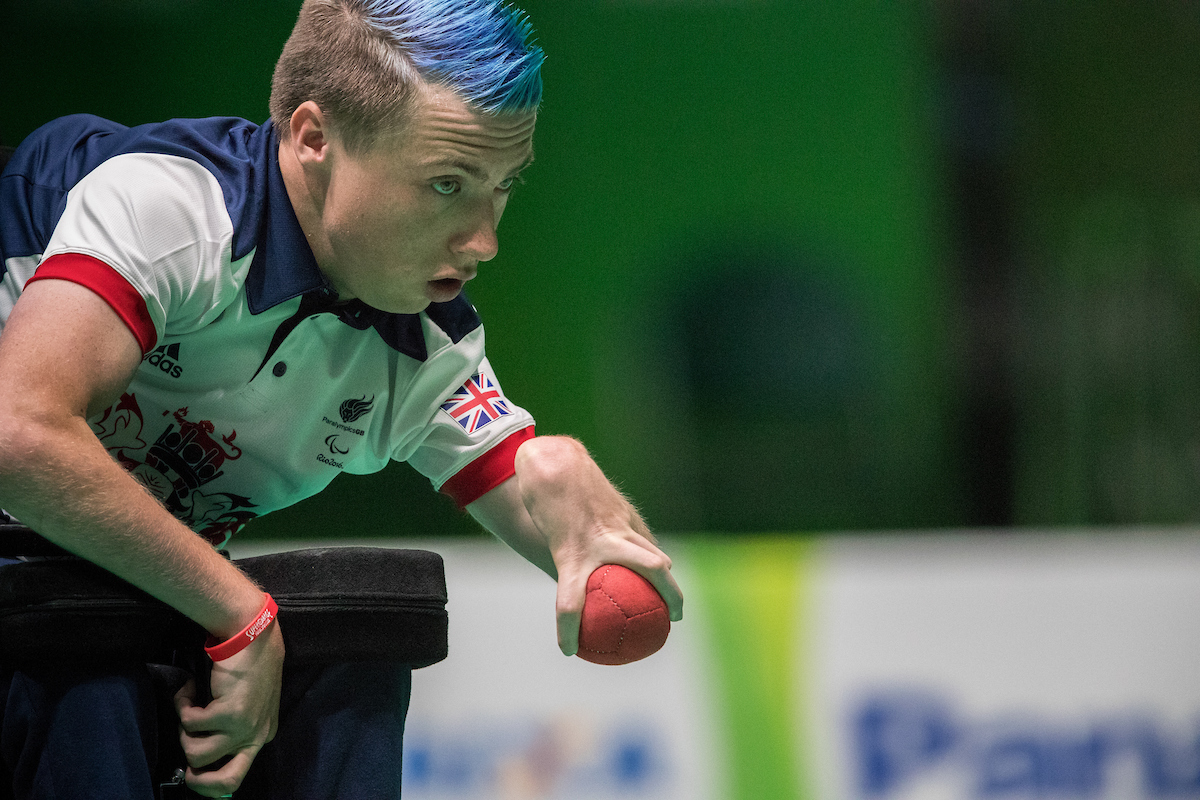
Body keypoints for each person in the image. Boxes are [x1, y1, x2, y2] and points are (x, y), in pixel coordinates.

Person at [0, 0, 684, 797]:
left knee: (355, 639)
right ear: (313, 138)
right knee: (87, 663)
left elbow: (579, 552)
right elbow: (21, 435)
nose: (484, 239)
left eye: (500, 187)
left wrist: (572, 493)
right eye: (445, 183)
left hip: (108, 603)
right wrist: (241, 612)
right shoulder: (172, 209)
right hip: (38, 610)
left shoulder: (424, 344)